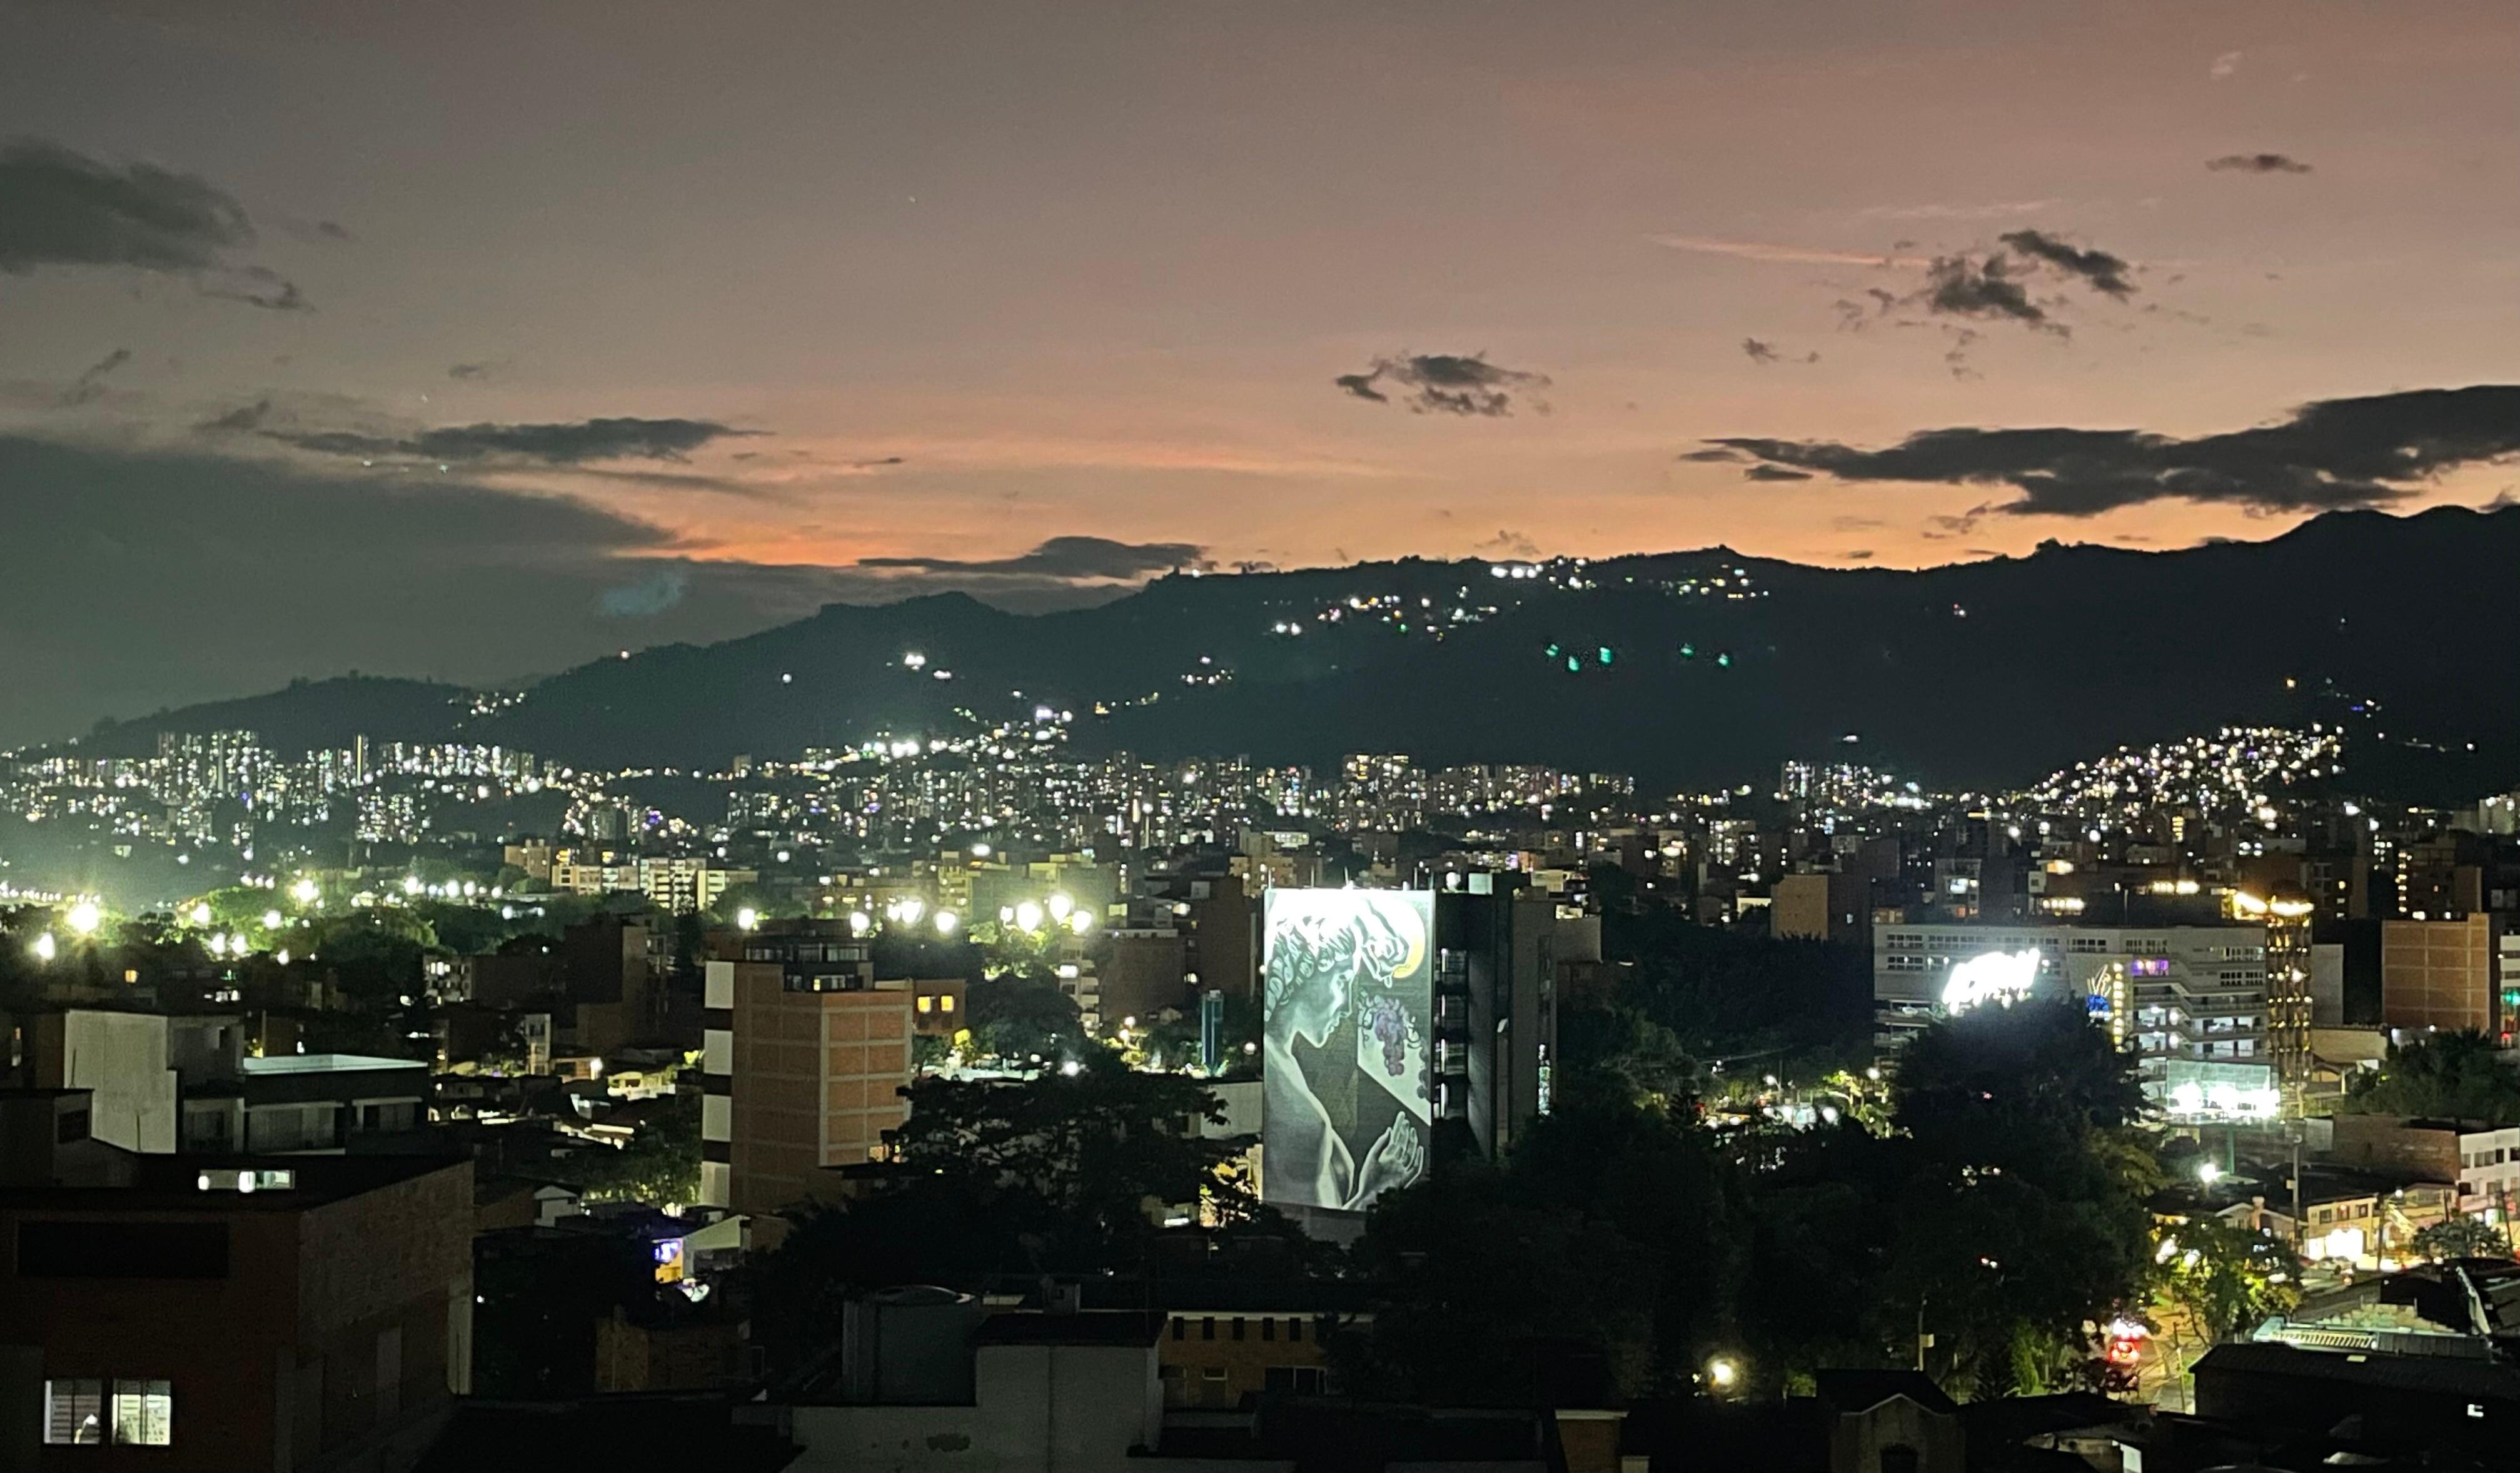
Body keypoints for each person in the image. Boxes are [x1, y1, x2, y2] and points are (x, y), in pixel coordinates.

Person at [1262, 893, 1426, 1210]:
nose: (1347, 1005)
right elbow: (1316, 1237)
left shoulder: (1282, 1064)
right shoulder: (1283, 1092)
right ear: (1307, 971)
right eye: (1342, 981)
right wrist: (1375, 1190)